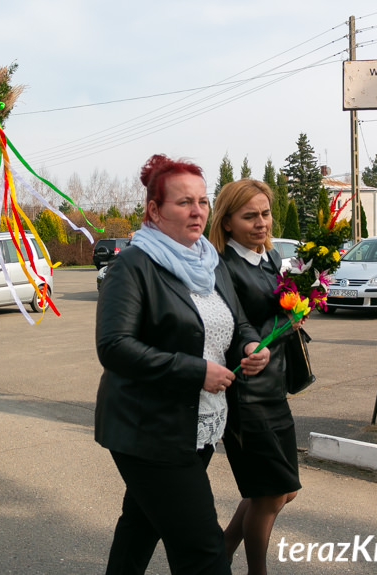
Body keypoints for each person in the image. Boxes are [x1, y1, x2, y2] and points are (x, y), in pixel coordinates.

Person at [95, 154, 269, 575]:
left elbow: (237, 321)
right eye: (184, 202)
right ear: (154, 211)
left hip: (199, 423)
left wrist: (249, 346)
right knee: (203, 551)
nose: (197, 211)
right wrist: (195, 371)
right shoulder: (134, 265)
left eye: (203, 201)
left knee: (140, 526)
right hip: (149, 429)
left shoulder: (209, 261)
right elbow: (115, 346)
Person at [210, 179, 302, 575]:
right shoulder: (222, 267)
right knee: (269, 494)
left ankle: (221, 551)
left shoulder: (267, 257)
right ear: (227, 222)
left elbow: (277, 307)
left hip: (274, 386)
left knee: (285, 491)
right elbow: (238, 323)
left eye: (265, 214)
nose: (261, 223)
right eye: (250, 216)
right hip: (246, 393)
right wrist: (280, 319)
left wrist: (300, 303)